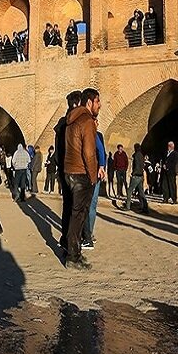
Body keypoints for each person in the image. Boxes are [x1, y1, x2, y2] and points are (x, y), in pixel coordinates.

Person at [64, 88, 100, 270]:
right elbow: (88, 152)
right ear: (89, 102)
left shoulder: (71, 119)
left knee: (75, 214)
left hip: (69, 172)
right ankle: (72, 257)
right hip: (81, 173)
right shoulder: (86, 120)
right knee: (79, 216)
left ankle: (74, 252)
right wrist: (93, 177)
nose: (99, 105)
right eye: (97, 102)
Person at [54, 91, 81, 250]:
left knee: (67, 206)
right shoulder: (76, 123)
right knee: (76, 209)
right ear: (77, 104)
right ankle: (73, 245)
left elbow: (57, 153)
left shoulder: (61, 124)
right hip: (76, 170)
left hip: (64, 170)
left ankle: (65, 239)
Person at [82, 119, 106, 250]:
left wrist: (102, 167)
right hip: (93, 171)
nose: (96, 123)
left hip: (93, 172)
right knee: (90, 204)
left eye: (96, 122)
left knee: (91, 204)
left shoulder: (97, 135)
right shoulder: (95, 134)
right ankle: (88, 234)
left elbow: (103, 152)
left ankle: (88, 234)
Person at [123, 143, 149, 213]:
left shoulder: (137, 155)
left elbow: (137, 165)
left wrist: (133, 173)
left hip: (136, 176)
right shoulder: (141, 155)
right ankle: (145, 207)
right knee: (141, 192)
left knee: (129, 190)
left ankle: (128, 206)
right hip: (141, 176)